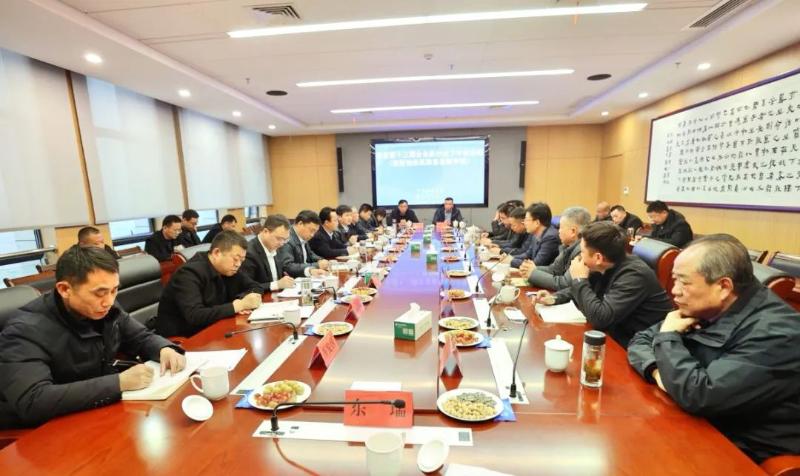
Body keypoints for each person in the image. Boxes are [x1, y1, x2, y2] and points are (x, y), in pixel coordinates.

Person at [627, 234, 800, 463]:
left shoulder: (778, 333)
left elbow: (701, 395)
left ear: (723, 286)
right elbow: (640, 340)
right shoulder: (709, 306)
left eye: (684, 282)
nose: (675, 291)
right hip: (695, 423)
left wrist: (668, 338)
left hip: (740, 450)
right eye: (674, 280)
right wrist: (658, 371)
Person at [0, 245, 185, 428]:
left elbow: (139, 336)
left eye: (114, 290)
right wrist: (118, 383)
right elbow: (34, 400)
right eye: (100, 293)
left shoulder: (104, 307)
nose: (109, 301)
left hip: (97, 411)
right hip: (48, 428)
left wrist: (163, 348)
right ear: (64, 289)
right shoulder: (23, 331)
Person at [533, 221, 673, 347]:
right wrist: (554, 298)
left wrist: (579, 279)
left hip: (639, 345)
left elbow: (600, 318)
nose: (579, 257)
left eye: (582, 252)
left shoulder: (634, 275)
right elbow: (584, 289)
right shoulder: (605, 264)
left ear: (598, 257)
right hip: (615, 335)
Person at [155, 231, 265, 338]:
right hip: (184, 338)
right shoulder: (188, 273)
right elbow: (195, 315)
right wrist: (238, 306)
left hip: (214, 327)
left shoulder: (229, 268)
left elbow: (255, 287)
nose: (238, 264)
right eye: (236, 259)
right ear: (217, 253)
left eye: (242, 260)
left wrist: (242, 300)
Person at [522, 206, 591, 290]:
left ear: (573, 231)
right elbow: (555, 270)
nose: (558, 231)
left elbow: (565, 284)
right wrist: (533, 269)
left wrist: (533, 274)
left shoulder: (582, 251)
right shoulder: (567, 246)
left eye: (561, 227)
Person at [240, 215, 295, 292]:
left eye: (285, 240)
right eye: (278, 238)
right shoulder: (249, 253)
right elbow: (247, 287)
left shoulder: (276, 247)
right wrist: (277, 284)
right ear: (265, 232)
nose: (281, 243)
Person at [278, 210, 330, 278]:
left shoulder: (302, 236)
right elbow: (288, 266)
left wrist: (321, 260)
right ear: (300, 224)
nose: (312, 235)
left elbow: (310, 254)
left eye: (315, 232)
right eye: (311, 230)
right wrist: (317, 265)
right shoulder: (287, 238)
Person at [510, 202, 560, 268]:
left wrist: (510, 261)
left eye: (527, 220)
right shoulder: (535, 235)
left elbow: (536, 264)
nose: (524, 223)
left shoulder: (550, 238)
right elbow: (528, 254)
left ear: (537, 223)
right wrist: (509, 258)